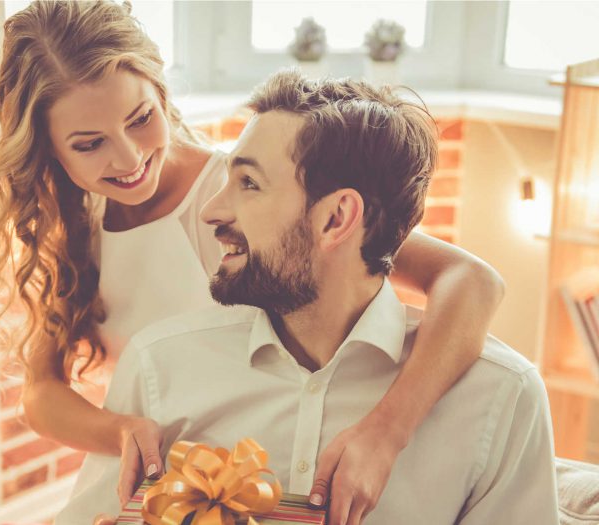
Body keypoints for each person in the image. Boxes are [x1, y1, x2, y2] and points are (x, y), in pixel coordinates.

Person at [0, 0, 505, 517]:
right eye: (89, 144)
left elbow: (471, 279)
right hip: (174, 486)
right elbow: (40, 392)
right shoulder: (74, 222)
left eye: (141, 119)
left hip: (264, 473)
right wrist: (120, 430)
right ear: (50, 150)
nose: (129, 158)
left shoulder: (247, 199)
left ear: (161, 93)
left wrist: (387, 430)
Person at [58, 70, 558, 525]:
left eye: (249, 184)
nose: (211, 211)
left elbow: (473, 278)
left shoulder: (501, 400)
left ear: (336, 219)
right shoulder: (158, 369)